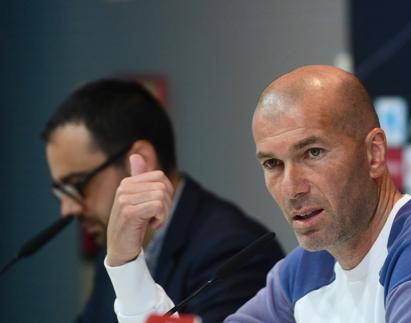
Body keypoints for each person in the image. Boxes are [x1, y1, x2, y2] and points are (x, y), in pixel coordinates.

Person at [105, 66, 411, 322]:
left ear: (374, 154)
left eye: (312, 153)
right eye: (272, 164)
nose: (292, 187)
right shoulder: (303, 273)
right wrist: (126, 261)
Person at [42, 78, 284, 323]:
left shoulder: (235, 250)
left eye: (78, 184)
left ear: (139, 160)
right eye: (62, 191)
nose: (68, 209)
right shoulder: (115, 245)